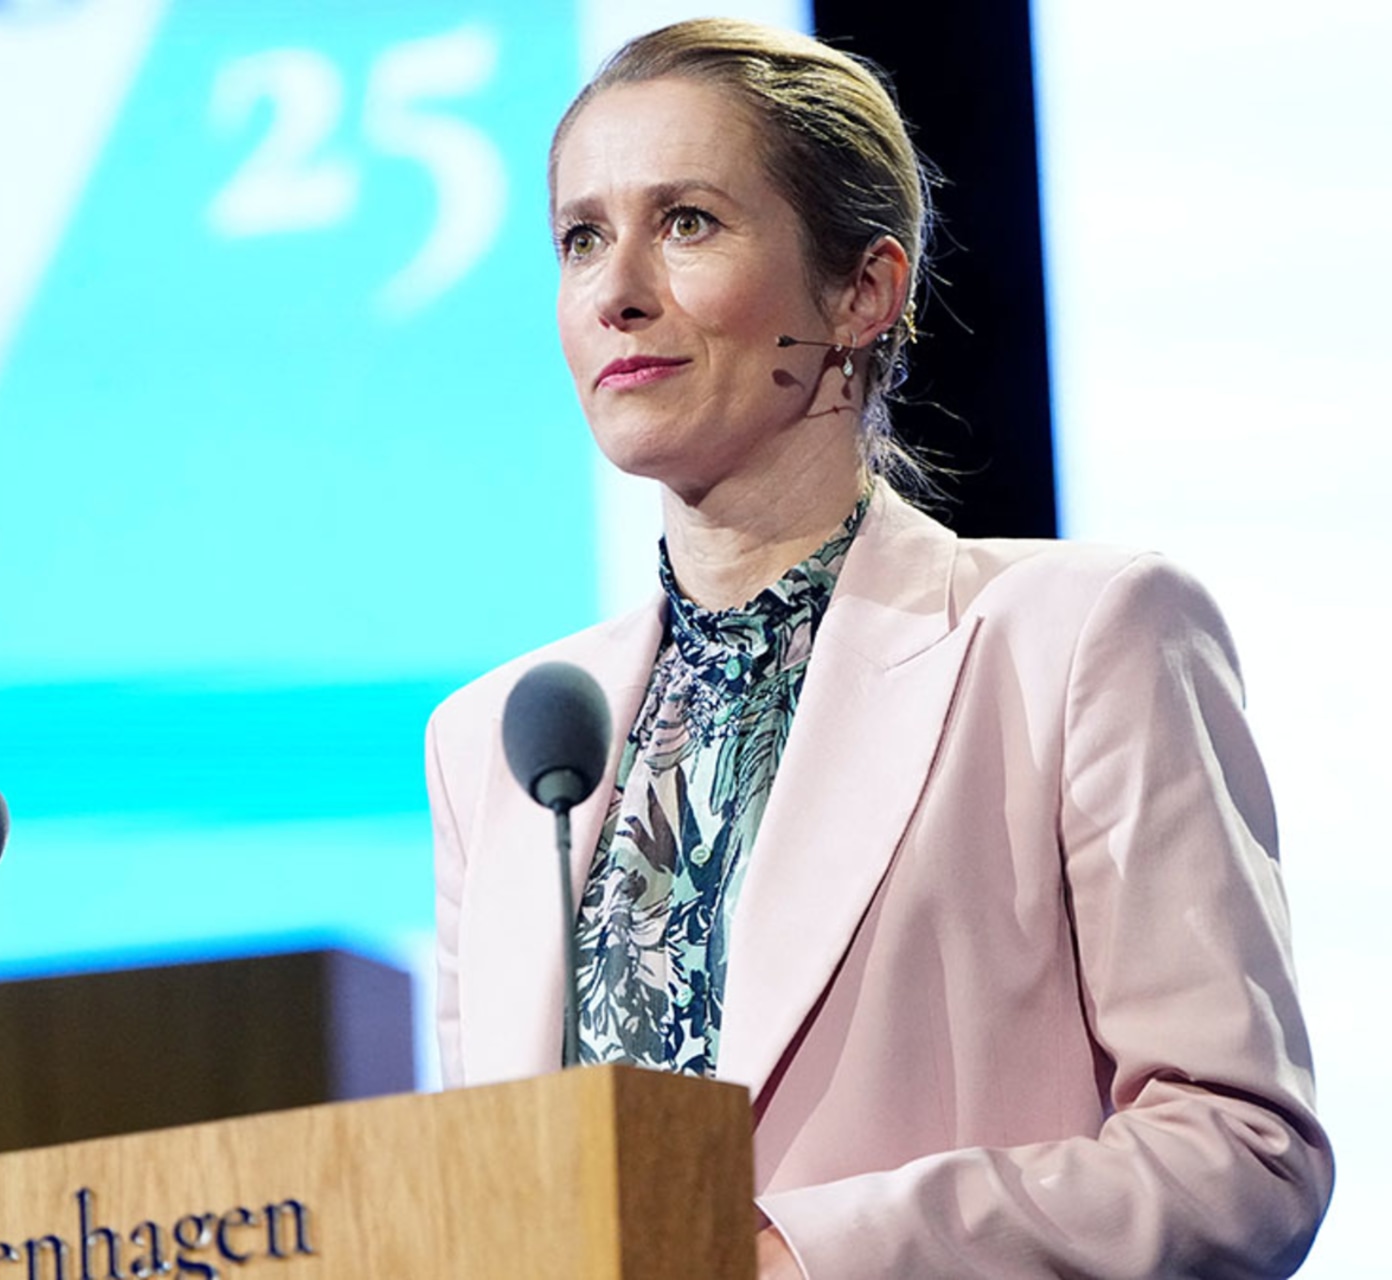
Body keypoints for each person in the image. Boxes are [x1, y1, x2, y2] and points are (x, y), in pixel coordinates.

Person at [423, 18, 1331, 1279]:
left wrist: (796, 1256)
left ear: (864, 291)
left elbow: (1241, 1153)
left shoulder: (1082, 635)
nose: (614, 289)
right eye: (581, 236)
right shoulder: (497, 741)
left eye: (685, 221)